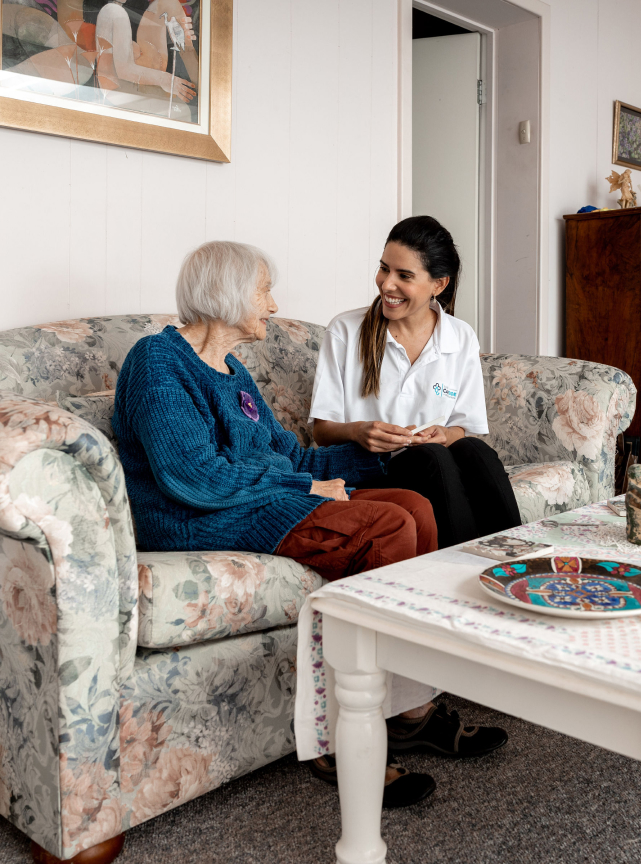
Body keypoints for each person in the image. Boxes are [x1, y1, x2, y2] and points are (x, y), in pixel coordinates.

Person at [112, 240, 505, 808]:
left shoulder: (233, 371)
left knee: (416, 505)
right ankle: (341, 737)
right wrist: (306, 487)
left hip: (253, 501)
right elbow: (194, 479)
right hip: (195, 519)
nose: (273, 305)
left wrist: (383, 453)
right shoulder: (158, 362)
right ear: (227, 296)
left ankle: (410, 712)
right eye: (264, 290)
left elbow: (291, 456)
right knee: (389, 528)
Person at [310, 215, 522, 549]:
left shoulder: (460, 337)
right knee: (432, 458)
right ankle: (457, 573)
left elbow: (463, 429)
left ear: (438, 284)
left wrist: (444, 434)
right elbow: (321, 431)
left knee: (474, 451)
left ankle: (514, 562)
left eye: (404, 276)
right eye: (384, 269)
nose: (386, 284)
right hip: (368, 467)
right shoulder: (345, 331)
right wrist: (358, 431)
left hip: (432, 463)